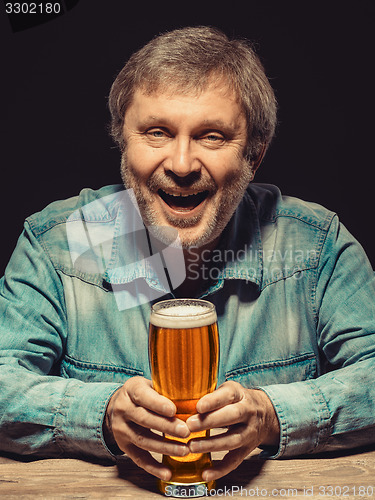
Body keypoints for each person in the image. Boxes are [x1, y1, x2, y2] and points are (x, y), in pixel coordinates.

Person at [0, 26, 374, 487]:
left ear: (253, 156)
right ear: (123, 144)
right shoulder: (60, 242)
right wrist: (100, 415)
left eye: (211, 136)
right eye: (156, 132)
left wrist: (272, 416)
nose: (181, 164)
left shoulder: (316, 246)